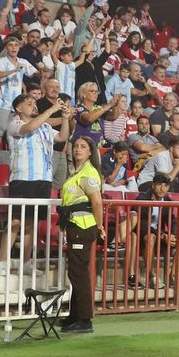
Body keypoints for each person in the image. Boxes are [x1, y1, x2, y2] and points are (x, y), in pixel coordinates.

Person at [55, 135, 104, 333]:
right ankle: (75, 315)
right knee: (76, 271)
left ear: (90, 152)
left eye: (83, 146)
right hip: (76, 226)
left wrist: (99, 227)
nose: (78, 149)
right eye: (76, 146)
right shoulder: (76, 172)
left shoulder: (88, 174)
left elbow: (97, 203)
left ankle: (84, 319)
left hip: (83, 227)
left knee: (79, 273)